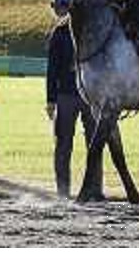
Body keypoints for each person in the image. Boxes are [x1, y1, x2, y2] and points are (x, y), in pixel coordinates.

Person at [45, 18, 103, 199]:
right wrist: (51, 99)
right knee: (63, 144)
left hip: (91, 96)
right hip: (66, 95)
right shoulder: (60, 32)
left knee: (95, 145)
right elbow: (52, 67)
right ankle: (63, 191)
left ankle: (95, 190)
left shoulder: (95, 30)